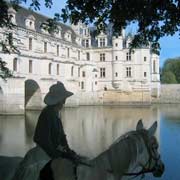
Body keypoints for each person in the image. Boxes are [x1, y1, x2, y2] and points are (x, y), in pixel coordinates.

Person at [12, 81, 79, 180]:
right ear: (58, 100)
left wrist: (68, 151)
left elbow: (61, 136)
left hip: (53, 150)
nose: (64, 102)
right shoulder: (47, 113)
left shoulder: (56, 114)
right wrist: (57, 155)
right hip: (44, 152)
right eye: (63, 99)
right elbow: (43, 140)